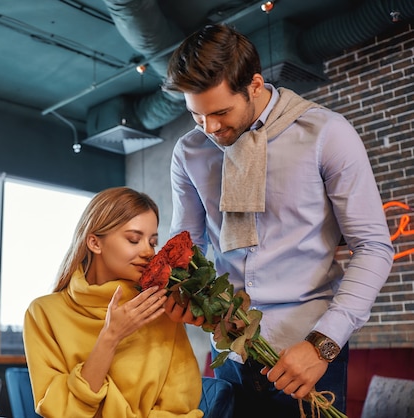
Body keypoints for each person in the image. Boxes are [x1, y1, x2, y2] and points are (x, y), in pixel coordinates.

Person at [162, 24, 394, 417]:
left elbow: (373, 248)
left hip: (309, 352)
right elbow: (186, 245)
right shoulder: (189, 152)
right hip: (230, 354)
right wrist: (180, 292)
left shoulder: (327, 134)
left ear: (254, 84)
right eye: (196, 116)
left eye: (220, 112)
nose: (210, 129)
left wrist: (323, 344)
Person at [23, 187, 205, 418]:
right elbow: (61, 412)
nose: (149, 251)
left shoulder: (160, 308)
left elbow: (181, 410)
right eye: (133, 239)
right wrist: (110, 337)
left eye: (152, 241)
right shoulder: (43, 313)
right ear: (95, 243)